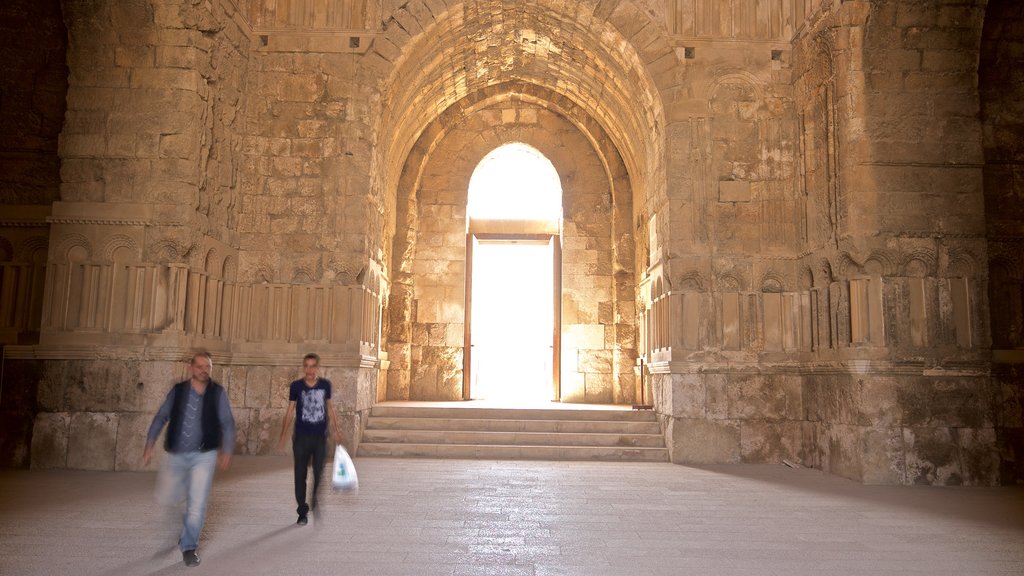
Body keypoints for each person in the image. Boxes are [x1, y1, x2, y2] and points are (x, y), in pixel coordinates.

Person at [143, 351, 235, 568]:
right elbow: (161, 415)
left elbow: (227, 423)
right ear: (191, 368)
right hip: (176, 454)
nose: (204, 370)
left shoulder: (217, 392)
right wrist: (149, 443)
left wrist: (227, 450)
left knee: (197, 504)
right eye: (200, 366)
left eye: (207, 367)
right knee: (169, 498)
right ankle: (184, 530)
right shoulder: (178, 391)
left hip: (204, 456)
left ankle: (189, 547)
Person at [278, 352, 345, 525]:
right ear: (304, 367)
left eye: (313, 366)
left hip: (319, 436)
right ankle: (302, 510)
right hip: (301, 436)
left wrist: (337, 431)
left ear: (317, 367)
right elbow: (290, 410)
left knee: (319, 471)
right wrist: (283, 434)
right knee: (300, 474)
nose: (310, 370)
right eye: (307, 366)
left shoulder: (325, 385)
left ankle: (314, 499)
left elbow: (330, 408)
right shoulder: (296, 386)